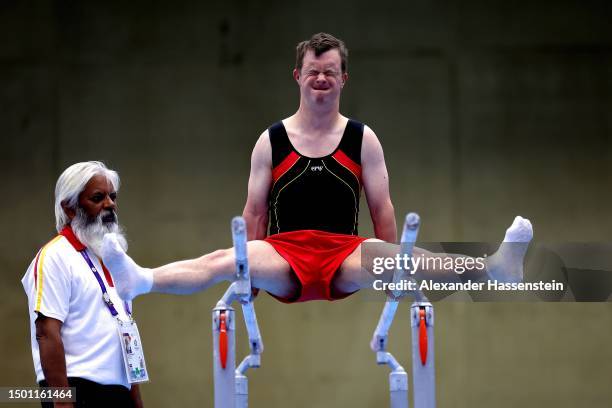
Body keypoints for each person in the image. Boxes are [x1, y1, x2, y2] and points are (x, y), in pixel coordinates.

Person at [101, 32, 533, 303]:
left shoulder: (363, 139)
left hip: (343, 252)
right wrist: (248, 278)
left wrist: (390, 274)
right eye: (313, 72)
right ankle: (140, 279)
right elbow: (253, 212)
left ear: (344, 78)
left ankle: (496, 267)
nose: (321, 79)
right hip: (283, 253)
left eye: (330, 72)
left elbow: (382, 208)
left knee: (412, 258)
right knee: (223, 259)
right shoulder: (270, 140)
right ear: (297, 76)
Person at [22, 161, 145, 408]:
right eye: (98, 198)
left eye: (112, 196)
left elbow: (125, 338)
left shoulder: (114, 260)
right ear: (69, 208)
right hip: (75, 391)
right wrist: (64, 403)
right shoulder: (55, 256)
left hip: (118, 391)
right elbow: (47, 332)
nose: (110, 204)